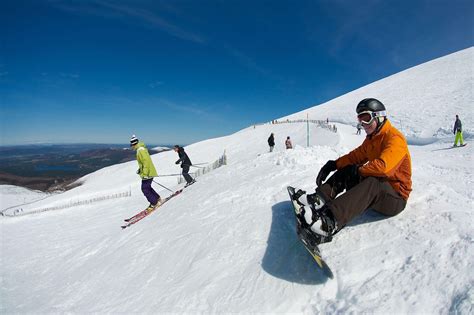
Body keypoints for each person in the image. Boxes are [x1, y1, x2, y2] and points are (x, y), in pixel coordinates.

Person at [292, 98, 412, 244]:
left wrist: (360, 170)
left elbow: (384, 168)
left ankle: (329, 222)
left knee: (373, 181)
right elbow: (355, 156)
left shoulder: (394, 137)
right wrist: (334, 164)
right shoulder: (372, 139)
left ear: (379, 116)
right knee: (350, 168)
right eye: (360, 119)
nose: (363, 124)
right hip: (378, 193)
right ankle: (319, 199)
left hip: (395, 198)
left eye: (366, 118)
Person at [130, 135, 161, 212]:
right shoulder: (141, 149)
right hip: (148, 172)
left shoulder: (140, 150)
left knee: (144, 189)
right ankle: (157, 199)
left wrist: (145, 173)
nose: (131, 147)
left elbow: (146, 161)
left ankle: (154, 203)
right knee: (147, 187)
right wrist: (140, 170)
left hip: (148, 173)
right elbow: (144, 162)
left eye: (131, 145)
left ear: (134, 144)